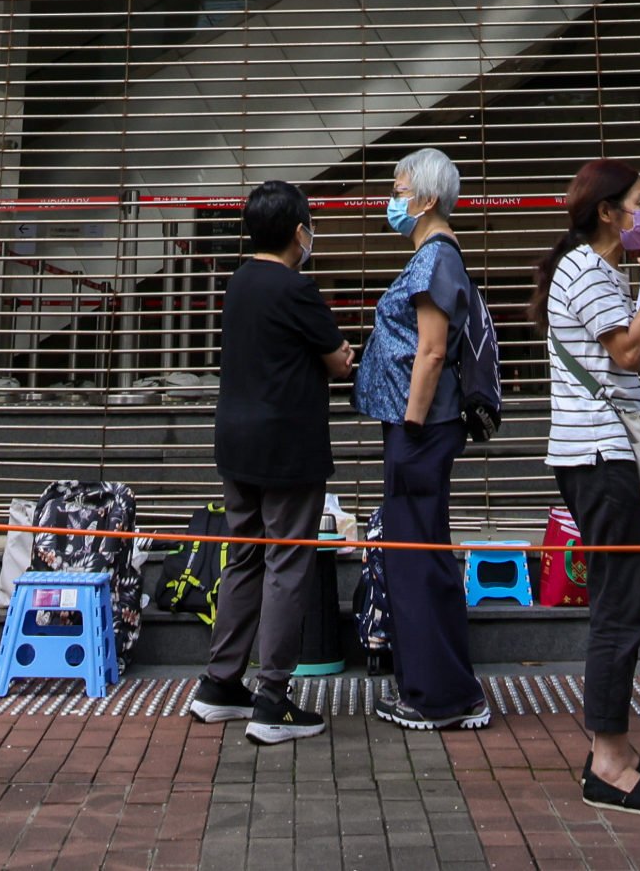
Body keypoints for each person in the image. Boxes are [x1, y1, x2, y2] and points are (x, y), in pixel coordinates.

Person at [534, 158, 640, 816]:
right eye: (639, 202)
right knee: (620, 605)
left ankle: (614, 748)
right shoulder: (586, 269)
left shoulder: (602, 272)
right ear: (606, 211)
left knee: (627, 601)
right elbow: (628, 355)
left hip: (605, 455)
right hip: (597, 455)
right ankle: (607, 760)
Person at [190, 180, 353, 747]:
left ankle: (220, 685)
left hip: (236, 446)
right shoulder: (295, 288)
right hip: (288, 448)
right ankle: (273, 699)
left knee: (244, 559)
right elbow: (338, 360)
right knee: (287, 565)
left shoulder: (239, 283)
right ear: (298, 232)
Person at [355, 145, 498, 733]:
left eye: (399, 189)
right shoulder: (436, 257)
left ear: (428, 198)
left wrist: (412, 425)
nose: (393, 200)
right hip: (419, 430)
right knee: (419, 555)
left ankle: (438, 696)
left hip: (421, 430)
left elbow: (433, 350)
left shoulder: (436, 259)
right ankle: (444, 687)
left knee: (415, 561)